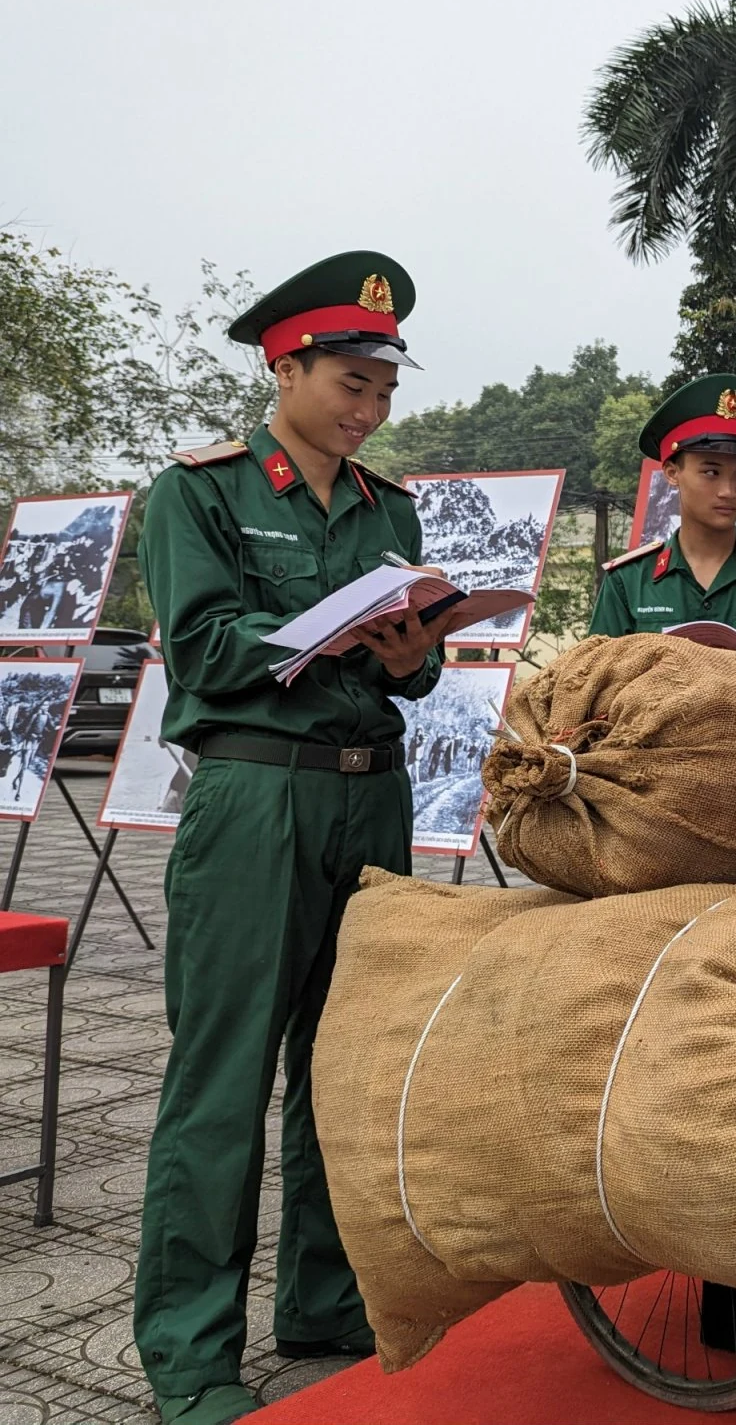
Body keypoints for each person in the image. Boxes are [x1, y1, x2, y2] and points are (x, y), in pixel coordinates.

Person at [135, 252, 451, 1425]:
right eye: (351, 383)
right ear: (288, 364)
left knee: (345, 1069)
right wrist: (324, 631)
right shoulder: (203, 493)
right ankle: (189, 1353)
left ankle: (324, 1302)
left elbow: (406, 676)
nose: (368, 409)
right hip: (257, 799)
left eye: (383, 391)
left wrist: (412, 654)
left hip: (371, 794)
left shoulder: (392, 509)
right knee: (223, 1081)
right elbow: (209, 652)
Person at [588, 374, 736, 645]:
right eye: (711, 472)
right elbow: (592, 678)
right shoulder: (628, 582)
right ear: (672, 472)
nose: (728, 490)